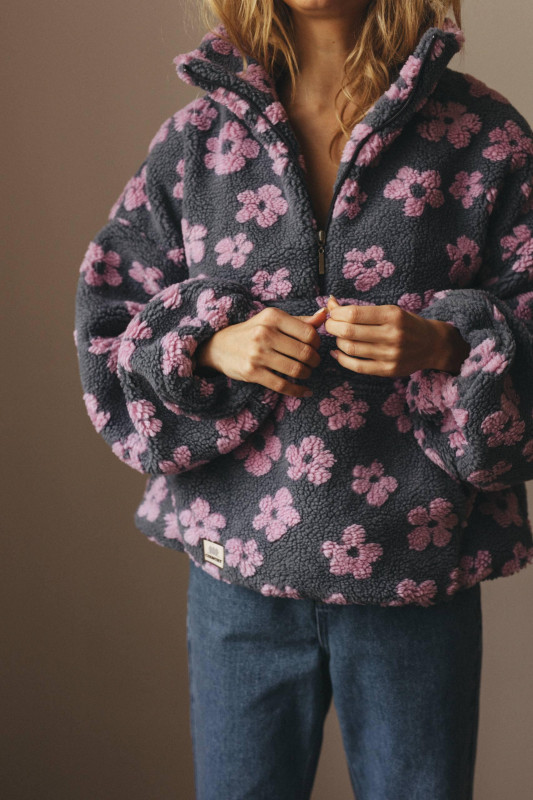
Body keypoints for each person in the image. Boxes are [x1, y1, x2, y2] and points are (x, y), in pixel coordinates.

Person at [73, 0, 533, 797]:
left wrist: (444, 344)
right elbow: (107, 325)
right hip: (236, 577)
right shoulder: (196, 142)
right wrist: (209, 344)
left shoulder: (484, 136)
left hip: (414, 574)